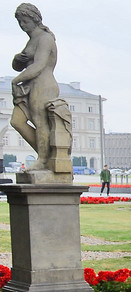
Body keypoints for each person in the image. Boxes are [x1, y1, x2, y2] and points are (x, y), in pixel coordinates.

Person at [10, 3, 58, 172]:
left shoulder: (45, 38)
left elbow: (38, 66)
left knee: (40, 123)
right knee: (17, 121)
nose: (22, 26)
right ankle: (49, 156)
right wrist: (17, 60)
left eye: (24, 21)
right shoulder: (32, 40)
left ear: (34, 19)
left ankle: (44, 159)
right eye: (19, 22)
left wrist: (16, 80)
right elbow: (19, 66)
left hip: (43, 85)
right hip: (29, 86)